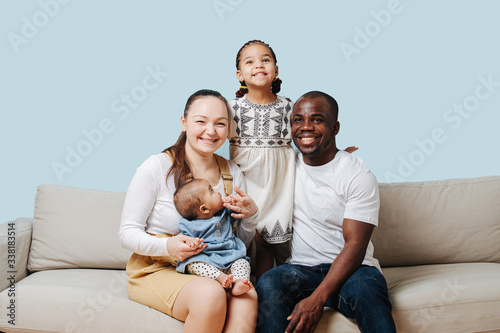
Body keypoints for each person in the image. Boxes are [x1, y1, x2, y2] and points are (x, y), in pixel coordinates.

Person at [118, 89, 259, 333]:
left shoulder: (232, 173)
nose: (211, 131)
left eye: (220, 124)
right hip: (158, 268)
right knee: (210, 295)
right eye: (201, 121)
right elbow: (127, 233)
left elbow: (235, 244)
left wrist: (250, 217)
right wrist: (167, 247)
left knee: (248, 297)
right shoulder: (157, 167)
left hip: (216, 267)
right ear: (183, 123)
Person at [255, 91, 396, 333]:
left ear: (335, 127)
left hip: (355, 270)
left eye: (317, 119)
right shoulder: (285, 167)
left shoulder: (357, 174)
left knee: (369, 293)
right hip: (301, 270)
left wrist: (317, 299)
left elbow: (355, 245)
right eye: (298, 120)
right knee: (269, 283)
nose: (306, 127)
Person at [229, 40, 358, 279]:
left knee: (267, 240)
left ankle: (267, 290)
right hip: (246, 183)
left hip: (279, 185)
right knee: (241, 241)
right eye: (250, 62)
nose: (259, 65)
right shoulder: (232, 109)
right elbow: (211, 137)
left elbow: (308, 137)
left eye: (265, 60)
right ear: (240, 74)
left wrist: (337, 155)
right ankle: (241, 287)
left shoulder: (289, 107)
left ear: (276, 70)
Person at [174, 178, 254, 296]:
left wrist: (235, 204)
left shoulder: (225, 211)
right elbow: (184, 239)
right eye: (211, 190)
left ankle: (238, 283)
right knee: (192, 264)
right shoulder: (188, 224)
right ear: (204, 209)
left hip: (230, 257)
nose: (217, 190)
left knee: (243, 263)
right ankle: (220, 277)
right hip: (208, 260)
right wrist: (192, 243)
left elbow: (239, 215)